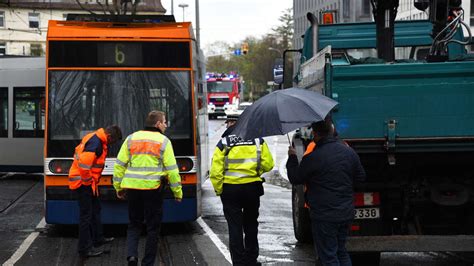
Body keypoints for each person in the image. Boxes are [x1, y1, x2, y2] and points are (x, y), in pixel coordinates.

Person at [286, 118, 366, 266]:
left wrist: (292, 158)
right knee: (341, 251)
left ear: (315, 134)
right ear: (332, 131)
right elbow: (361, 177)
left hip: (324, 215)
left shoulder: (313, 157)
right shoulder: (349, 152)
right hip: (345, 212)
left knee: (328, 255)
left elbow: (296, 177)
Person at [113, 110, 182, 266]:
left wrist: (118, 187)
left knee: (134, 224)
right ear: (157, 124)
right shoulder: (164, 141)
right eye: (164, 122)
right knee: (153, 228)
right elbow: (172, 170)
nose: (166, 125)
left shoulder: (131, 138)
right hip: (153, 190)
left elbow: (119, 165)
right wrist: (177, 192)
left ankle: (132, 256)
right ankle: (148, 262)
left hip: (132, 189)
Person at [210, 114, 274, 266]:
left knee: (235, 227)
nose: (226, 126)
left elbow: (215, 171)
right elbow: (269, 164)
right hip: (252, 188)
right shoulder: (258, 140)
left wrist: (219, 190)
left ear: (232, 123)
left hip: (230, 190)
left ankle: (238, 262)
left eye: (228, 123)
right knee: (251, 225)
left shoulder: (224, 142)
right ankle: (251, 260)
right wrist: (256, 171)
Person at [68, 125, 122, 258]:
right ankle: (84, 249)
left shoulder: (96, 138)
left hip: (88, 182)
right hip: (83, 183)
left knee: (95, 210)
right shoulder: (96, 142)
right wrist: (87, 182)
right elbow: (84, 165)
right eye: (113, 141)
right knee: (85, 217)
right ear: (109, 136)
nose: (112, 144)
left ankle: (98, 239)